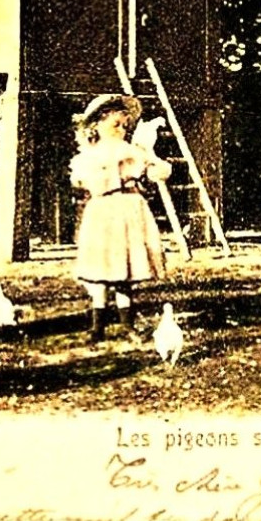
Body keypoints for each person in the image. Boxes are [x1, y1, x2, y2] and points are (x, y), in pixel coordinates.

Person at [70, 94, 172, 343]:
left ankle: (128, 324)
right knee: (102, 269)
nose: (121, 130)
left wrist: (151, 163)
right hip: (104, 210)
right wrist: (110, 175)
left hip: (129, 209)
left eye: (124, 125)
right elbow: (84, 180)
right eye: (115, 125)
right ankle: (98, 327)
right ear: (97, 125)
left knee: (125, 268)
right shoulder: (91, 155)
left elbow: (156, 171)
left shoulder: (132, 151)